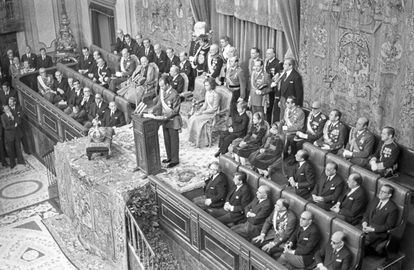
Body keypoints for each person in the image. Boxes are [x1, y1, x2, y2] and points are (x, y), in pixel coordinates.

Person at [149, 75, 182, 168]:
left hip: (172, 119)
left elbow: (176, 110)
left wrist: (166, 116)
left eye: (163, 86)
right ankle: (169, 157)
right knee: (167, 139)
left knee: (174, 141)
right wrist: (153, 109)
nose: (161, 88)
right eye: (160, 86)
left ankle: (175, 160)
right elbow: (160, 103)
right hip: (164, 119)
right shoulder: (162, 92)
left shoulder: (174, 94)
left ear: (167, 84)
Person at [362, 184, 398, 255]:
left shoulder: (393, 209)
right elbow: (367, 213)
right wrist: (364, 222)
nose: (380, 193)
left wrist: (372, 229)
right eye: (380, 190)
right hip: (365, 228)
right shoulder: (375, 199)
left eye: (383, 192)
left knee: (360, 241)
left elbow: (388, 226)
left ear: (389, 195)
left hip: (378, 233)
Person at [188, 77, 219, 147]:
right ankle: (194, 140)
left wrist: (203, 113)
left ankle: (201, 142)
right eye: (205, 85)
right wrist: (200, 111)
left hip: (211, 114)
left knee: (196, 120)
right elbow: (205, 105)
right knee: (193, 118)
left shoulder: (216, 95)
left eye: (207, 85)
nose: (205, 87)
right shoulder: (207, 93)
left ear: (212, 85)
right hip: (205, 111)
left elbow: (214, 109)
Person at [264, 48, 283, 123]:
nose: (267, 55)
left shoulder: (278, 63)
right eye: (266, 53)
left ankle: (272, 123)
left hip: (274, 89)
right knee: (267, 107)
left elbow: (278, 77)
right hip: (266, 88)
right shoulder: (266, 62)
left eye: (269, 53)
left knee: (272, 108)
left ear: (274, 54)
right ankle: (267, 123)